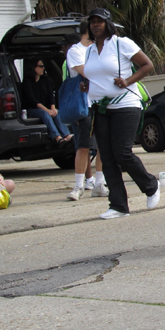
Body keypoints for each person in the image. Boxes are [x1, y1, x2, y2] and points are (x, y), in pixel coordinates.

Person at [82, 7, 160, 220]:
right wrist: (86, 85)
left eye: (99, 21)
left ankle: (151, 186)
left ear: (108, 24)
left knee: (122, 152)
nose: (95, 25)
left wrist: (127, 81)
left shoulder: (121, 43)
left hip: (126, 104)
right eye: (92, 22)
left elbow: (147, 65)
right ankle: (118, 205)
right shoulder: (89, 50)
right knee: (107, 157)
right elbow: (94, 75)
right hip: (100, 107)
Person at [62, 28, 108, 201]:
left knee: (102, 145)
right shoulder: (75, 50)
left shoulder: (99, 48)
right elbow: (85, 72)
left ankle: (99, 183)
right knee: (83, 146)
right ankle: (79, 185)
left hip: (100, 101)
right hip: (84, 104)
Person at [22, 58, 72, 144]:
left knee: (57, 113)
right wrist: (47, 110)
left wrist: (53, 108)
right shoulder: (27, 82)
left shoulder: (46, 80)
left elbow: (51, 95)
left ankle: (67, 135)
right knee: (45, 114)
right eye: (41, 66)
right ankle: (57, 137)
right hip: (33, 109)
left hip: (46, 108)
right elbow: (33, 100)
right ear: (33, 67)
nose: (43, 68)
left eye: (43, 66)